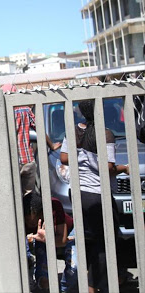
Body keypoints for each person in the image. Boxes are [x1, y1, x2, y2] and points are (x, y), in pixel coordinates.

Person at [60, 100, 129, 292]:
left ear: (81, 112)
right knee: (106, 241)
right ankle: (94, 285)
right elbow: (107, 168)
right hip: (97, 194)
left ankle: (94, 282)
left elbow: (64, 158)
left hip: (78, 192)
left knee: (87, 239)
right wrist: (124, 168)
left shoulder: (73, 131)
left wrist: (80, 156)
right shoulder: (105, 133)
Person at [23, 192, 77, 292]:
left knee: (74, 267)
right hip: (41, 238)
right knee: (43, 278)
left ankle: (64, 289)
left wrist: (47, 239)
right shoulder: (20, 215)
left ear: (42, 213)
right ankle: (44, 287)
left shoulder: (54, 205)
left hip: (67, 234)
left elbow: (62, 240)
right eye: (28, 222)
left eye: (33, 222)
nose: (31, 225)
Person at [14, 105, 61, 194]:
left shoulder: (0, 110)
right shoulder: (25, 110)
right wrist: (51, 145)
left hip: (9, 162)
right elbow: (39, 128)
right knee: (28, 196)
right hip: (26, 159)